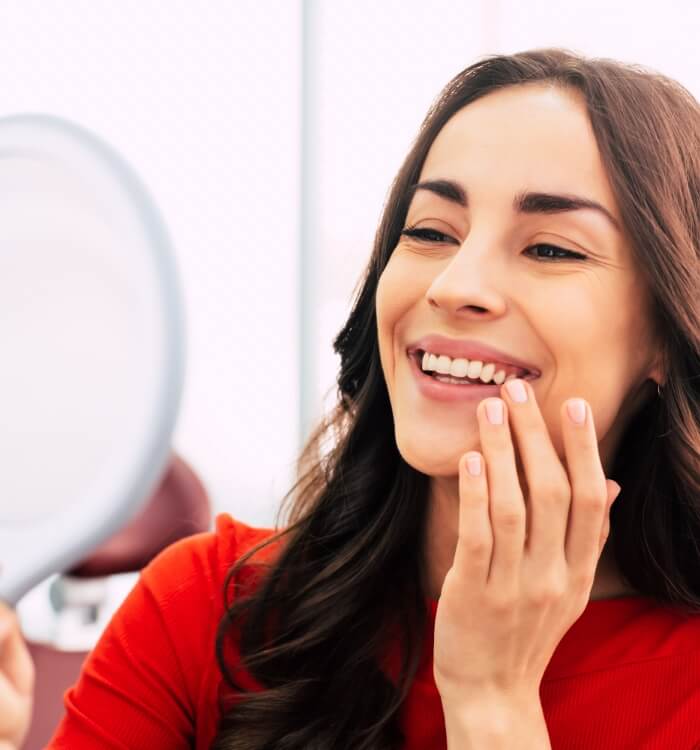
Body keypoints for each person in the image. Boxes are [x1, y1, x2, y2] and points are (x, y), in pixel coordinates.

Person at [1, 47, 699, 749]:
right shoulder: (205, 609)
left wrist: (493, 703)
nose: (453, 285)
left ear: (667, 335)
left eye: (550, 249)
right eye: (429, 232)